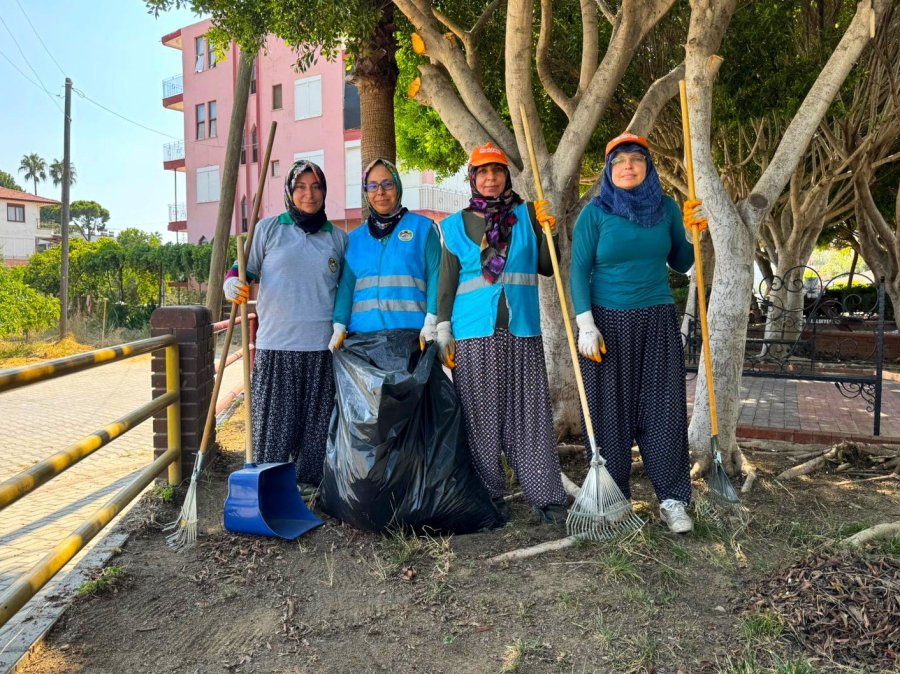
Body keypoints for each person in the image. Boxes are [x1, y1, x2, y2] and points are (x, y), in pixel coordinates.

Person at [569, 131, 708, 534]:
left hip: (656, 319)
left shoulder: (665, 208)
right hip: (606, 324)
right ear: (608, 170)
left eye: (636, 159)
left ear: (648, 167)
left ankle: (673, 500)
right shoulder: (595, 213)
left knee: (663, 409)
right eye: (619, 161)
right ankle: (613, 501)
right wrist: (585, 325)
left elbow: (681, 261)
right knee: (607, 412)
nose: (627, 166)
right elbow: (578, 270)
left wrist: (692, 232)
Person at [436, 142, 568, 525]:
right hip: (473, 335)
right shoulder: (453, 226)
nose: (490, 178)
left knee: (530, 416)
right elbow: (446, 283)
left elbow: (548, 267)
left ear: (507, 176)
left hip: (522, 330)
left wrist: (550, 231)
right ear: (472, 178)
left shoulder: (528, 214)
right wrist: (443, 330)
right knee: (480, 420)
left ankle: (546, 496)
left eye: (497, 171)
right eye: (482, 172)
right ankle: (488, 497)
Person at [223, 160, 348, 492]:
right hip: (276, 347)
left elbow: (348, 290)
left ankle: (308, 494)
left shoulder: (337, 238)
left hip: (322, 349)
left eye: (316, 187)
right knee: (273, 432)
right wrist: (232, 284)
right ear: (290, 191)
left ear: (324, 191)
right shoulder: (268, 229)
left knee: (316, 432)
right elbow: (241, 270)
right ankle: (269, 491)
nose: (309, 194)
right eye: (301, 187)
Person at [329, 158, 441, 349]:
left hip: (413, 340)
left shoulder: (423, 229)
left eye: (387, 184)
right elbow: (346, 288)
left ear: (398, 186)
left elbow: (437, 277)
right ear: (366, 192)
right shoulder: (354, 239)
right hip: (363, 340)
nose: (380, 191)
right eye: (373, 186)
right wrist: (339, 326)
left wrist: (432, 321)